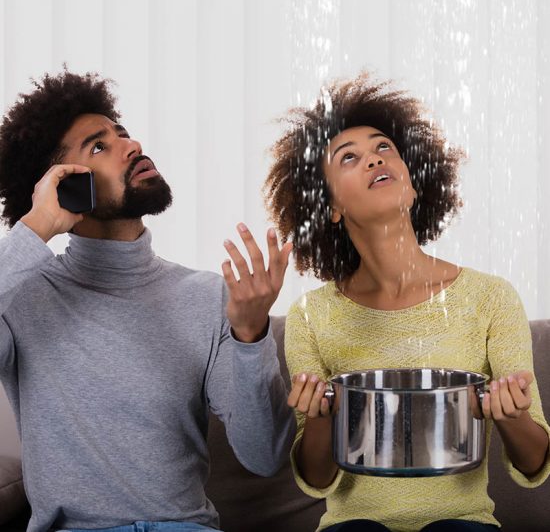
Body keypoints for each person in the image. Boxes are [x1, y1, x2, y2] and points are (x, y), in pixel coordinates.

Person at [0, 70, 295, 532]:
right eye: (99, 147)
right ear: (59, 187)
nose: (131, 145)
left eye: (121, 133)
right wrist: (36, 228)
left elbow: (265, 456)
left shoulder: (209, 297)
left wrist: (251, 336)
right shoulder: (23, 299)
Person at [264, 72, 550, 532]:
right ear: (331, 206)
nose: (374, 160)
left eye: (384, 149)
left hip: (463, 521)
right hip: (354, 524)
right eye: (349, 158)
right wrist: (319, 418)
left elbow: (535, 463)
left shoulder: (490, 297)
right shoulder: (311, 316)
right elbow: (317, 478)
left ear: (414, 184)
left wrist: (513, 415)